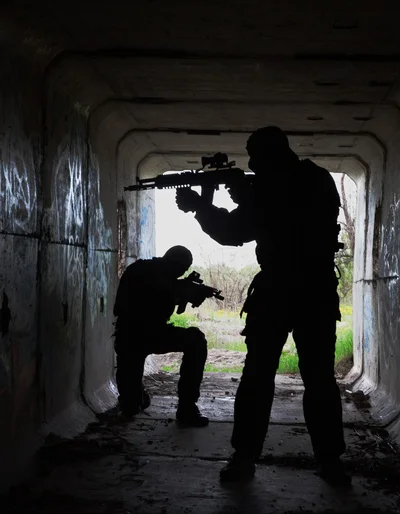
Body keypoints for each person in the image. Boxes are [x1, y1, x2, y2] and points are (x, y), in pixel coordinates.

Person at [175, 126, 351, 485]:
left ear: (269, 156)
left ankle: (245, 459)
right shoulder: (316, 179)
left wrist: (203, 207)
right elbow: (260, 216)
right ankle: (330, 461)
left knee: (259, 377)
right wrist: (243, 197)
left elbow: (236, 231)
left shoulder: (286, 186)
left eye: (255, 158)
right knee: (316, 378)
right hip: (314, 291)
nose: (253, 164)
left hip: (283, 289)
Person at [113, 245, 209, 427]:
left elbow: (170, 296)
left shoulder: (166, 278)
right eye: (181, 268)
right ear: (171, 261)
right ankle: (136, 396)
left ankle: (187, 407)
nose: (182, 272)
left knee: (196, 340)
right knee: (131, 406)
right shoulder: (142, 270)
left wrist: (184, 296)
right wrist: (181, 290)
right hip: (132, 336)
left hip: (152, 334)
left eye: (185, 270)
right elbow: (158, 288)